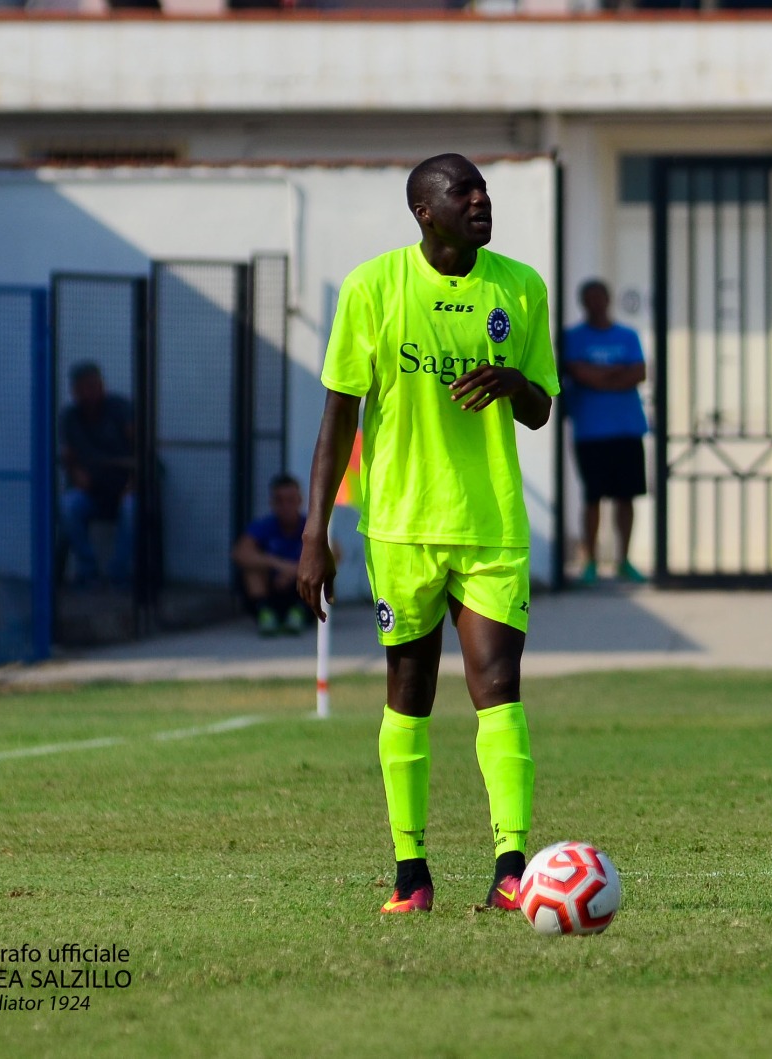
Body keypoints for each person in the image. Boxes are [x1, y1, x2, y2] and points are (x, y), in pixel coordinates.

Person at [297, 153, 559, 916]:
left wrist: (515, 383)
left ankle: (512, 865)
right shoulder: (373, 287)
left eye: (484, 190)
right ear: (424, 210)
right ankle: (411, 872)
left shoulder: (521, 287)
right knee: (408, 694)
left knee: (497, 686)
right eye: (463, 191)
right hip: (401, 526)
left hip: (490, 523)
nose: (481, 201)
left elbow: (541, 409)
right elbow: (338, 417)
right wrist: (316, 530)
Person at [562, 278, 648, 585]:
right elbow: (578, 372)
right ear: (583, 303)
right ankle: (591, 562)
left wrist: (597, 375)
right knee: (593, 498)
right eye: (590, 298)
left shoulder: (628, 335)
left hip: (627, 428)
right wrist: (614, 373)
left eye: (600, 297)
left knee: (626, 497)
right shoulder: (572, 338)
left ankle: (624, 560)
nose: (596, 303)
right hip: (590, 431)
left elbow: (638, 372)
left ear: (609, 300)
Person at [58, 362, 135, 588]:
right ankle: (88, 572)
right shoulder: (69, 417)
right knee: (68, 505)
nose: (90, 393)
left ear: (102, 386)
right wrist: (75, 473)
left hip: (125, 489)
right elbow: (68, 456)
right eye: (83, 388)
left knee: (132, 508)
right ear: (74, 391)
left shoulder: (121, 408)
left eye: (94, 386)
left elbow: (141, 451)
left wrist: (132, 484)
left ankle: (118, 574)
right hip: (92, 492)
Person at [232, 473, 309, 636]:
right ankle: (266, 615)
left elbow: (334, 552)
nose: (285, 506)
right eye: (279, 501)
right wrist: (278, 565)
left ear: (300, 501)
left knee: (321, 571)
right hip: (272, 588)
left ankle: (298, 614)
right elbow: (240, 553)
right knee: (252, 570)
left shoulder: (309, 526)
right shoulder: (264, 526)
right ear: (272, 503)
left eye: (290, 500)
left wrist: (296, 571)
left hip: (301, 592)